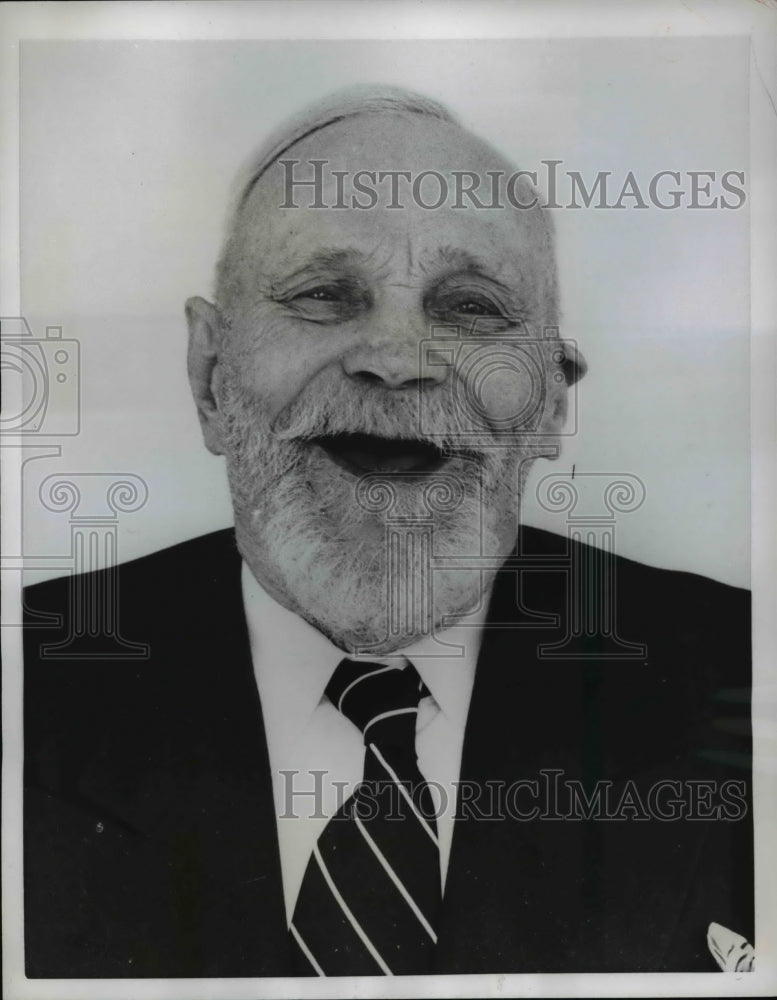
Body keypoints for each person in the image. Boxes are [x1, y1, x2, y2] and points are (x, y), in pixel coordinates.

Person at [23, 86, 752, 978]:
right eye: (326, 295)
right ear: (210, 374)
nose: (398, 361)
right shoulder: (29, 680)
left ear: (553, 403)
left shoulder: (744, 677)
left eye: (472, 309)